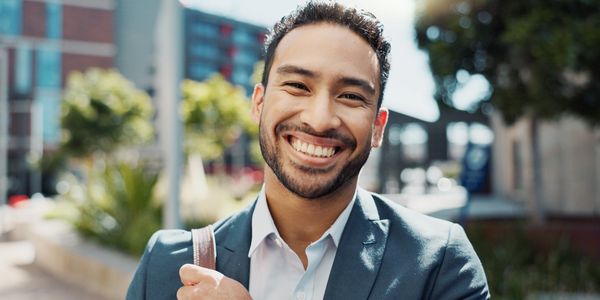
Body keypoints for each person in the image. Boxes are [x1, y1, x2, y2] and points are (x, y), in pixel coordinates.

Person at [127, 2, 490, 299]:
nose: (319, 120)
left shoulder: (439, 264)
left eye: (350, 95)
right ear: (259, 102)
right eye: (298, 85)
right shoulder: (167, 266)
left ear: (377, 127)